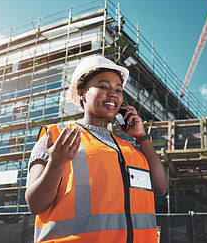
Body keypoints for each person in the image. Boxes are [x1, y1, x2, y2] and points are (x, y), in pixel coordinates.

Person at [25, 56, 167, 243]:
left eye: (118, 90)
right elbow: (35, 204)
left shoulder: (131, 149)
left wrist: (142, 137)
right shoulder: (56, 137)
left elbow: (160, 187)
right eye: (103, 86)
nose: (113, 94)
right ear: (82, 93)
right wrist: (56, 163)